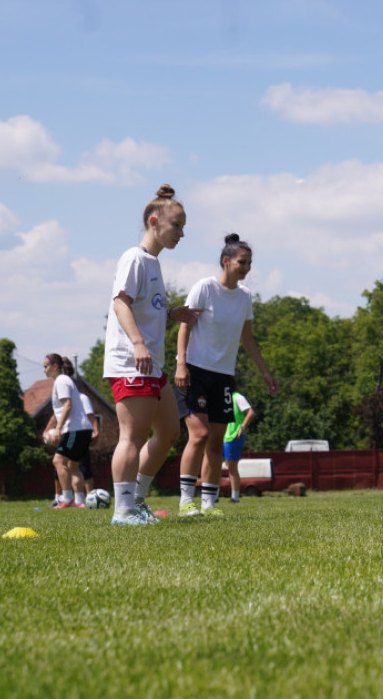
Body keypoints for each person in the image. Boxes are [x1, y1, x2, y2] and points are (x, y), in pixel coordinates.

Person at [104, 185, 201, 526]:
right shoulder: (134, 257)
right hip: (133, 362)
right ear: (154, 221)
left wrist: (173, 313)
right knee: (133, 436)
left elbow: (145, 308)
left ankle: (137, 502)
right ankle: (123, 511)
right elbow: (120, 302)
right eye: (177, 225)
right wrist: (138, 344)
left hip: (152, 365)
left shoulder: (153, 264)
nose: (182, 232)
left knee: (169, 433)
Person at [176, 234, 278, 517]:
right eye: (242, 262)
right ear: (226, 261)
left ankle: (209, 504)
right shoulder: (205, 288)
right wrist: (180, 363)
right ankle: (186, 501)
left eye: (249, 263)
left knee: (216, 441)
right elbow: (184, 326)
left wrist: (266, 373)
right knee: (199, 434)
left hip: (223, 375)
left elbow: (248, 338)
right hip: (195, 370)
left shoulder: (245, 297)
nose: (246, 268)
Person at [43, 353, 93, 509]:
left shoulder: (61, 381)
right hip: (83, 429)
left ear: (55, 366)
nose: (44, 370)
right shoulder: (65, 381)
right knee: (73, 466)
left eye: (46, 366)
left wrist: (57, 429)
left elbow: (67, 405)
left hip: (74, 429)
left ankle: (67, 499)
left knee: (58, 461)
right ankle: (79, 502)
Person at [218, 391, 255, 503]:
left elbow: (251, 413)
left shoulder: (237, 397)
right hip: (220, 436)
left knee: (231, 467)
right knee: (214, 466)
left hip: (233, 437)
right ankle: (213, 496)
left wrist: (242, 428)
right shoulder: (217, 396)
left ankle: (235, 497)